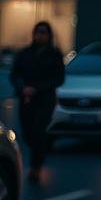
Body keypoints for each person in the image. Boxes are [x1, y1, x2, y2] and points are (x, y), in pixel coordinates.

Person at [8, 21, 65, 182]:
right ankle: (39, 152)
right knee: (27, 132)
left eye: (44, 32)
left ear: (49, 35)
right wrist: (22, 88)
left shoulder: (54, 55)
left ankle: (36, 166)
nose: (40, 35)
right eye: (38, 32)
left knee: (39, 130)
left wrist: (38, 88)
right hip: (26, 99)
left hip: (45, 99)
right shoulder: (25, 53)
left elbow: (59, 78)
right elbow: (15, 74)